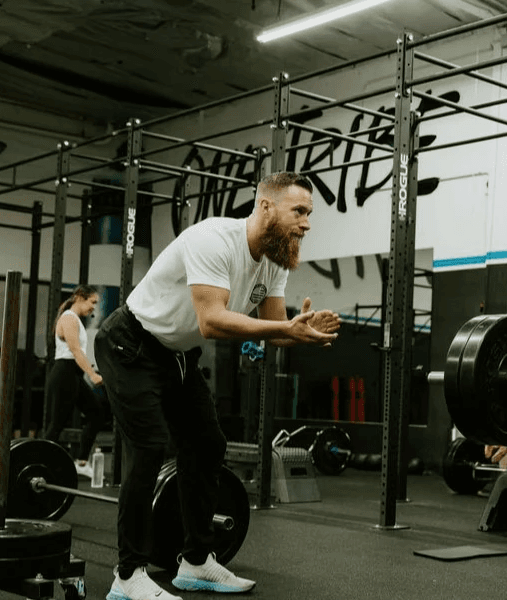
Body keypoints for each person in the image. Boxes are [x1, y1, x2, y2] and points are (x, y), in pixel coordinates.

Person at [94, 172, 341, 600]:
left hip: (176, 354)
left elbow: (276, 329)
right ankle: (128, 575)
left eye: (309, 214)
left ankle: (195, 562)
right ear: (266, 206)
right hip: (130, 343)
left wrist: (302, 332)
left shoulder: (273, 259)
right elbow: (212, 322)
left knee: (208, 444)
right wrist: (284, 328)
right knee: (149, 447)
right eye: (299, 211)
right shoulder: (213, 239)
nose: (306, 223)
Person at [41, 285, 108, 478]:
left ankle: (81, 462)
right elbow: (76, 351)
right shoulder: (69, 318)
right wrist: (92, 375)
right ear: (79, 297)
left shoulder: (75, 319)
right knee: (56, 425)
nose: (93, 307)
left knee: (97, 414)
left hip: (73, 375)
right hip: (64, 374)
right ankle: (38, 463)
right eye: (92, 302)